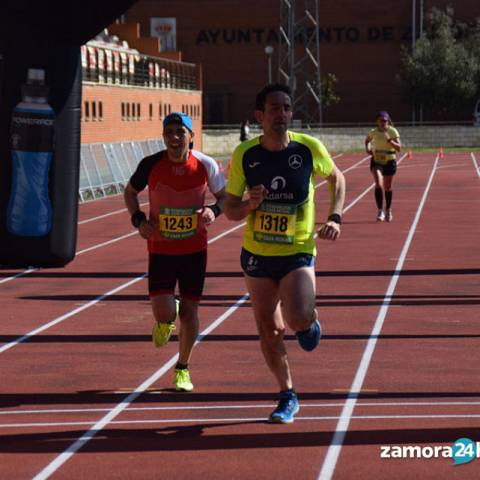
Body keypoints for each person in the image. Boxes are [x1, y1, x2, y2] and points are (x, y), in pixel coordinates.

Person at [224, 83, 346, 424]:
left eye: (287, 108)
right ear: (260, 116)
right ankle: (287, 395)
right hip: (257, 255)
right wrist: (249, 203)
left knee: (296, 319)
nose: (282, 114)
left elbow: (338, 178)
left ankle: (308, 323)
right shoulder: (245, 155)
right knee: (267, 329)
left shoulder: (308, 148)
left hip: (297, 250)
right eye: (275, 108)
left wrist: (335, 216)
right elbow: (230, 208)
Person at [124, 112, 226, 392]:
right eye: (169, 132)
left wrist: (212, 210)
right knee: (164, 312)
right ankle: (167, 317)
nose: (174, 137)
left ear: (191, 136)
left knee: (191, 311)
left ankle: (182, 367)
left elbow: (226, 198)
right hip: (161, 249)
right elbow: (130, 193)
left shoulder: (206, 165)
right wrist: (139, 221)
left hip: (194, 249)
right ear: (163, 137)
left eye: (180, 132)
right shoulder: (151, 164)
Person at [365, 111, 401, 222]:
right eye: (381, 120)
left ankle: (388, 210)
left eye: (385, 121)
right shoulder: (373, 132)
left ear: (388, 121)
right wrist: (368, 149)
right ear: (377, 121)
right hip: (377, 160)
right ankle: (380, 211)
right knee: (378, 185)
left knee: (387, 187)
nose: (383, 123)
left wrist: (390, 141)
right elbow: (367, 141)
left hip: (390, 161)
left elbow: (399, 148)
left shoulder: (392, 131)